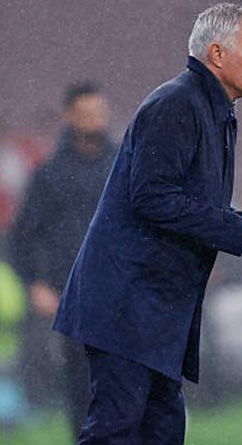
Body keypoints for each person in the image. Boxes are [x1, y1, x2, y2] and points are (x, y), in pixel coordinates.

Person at [53, 3, 242, 444]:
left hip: (155, 309)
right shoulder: (177, 103)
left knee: (161, 433)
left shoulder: (210, 108)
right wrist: (241, 230)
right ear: (217, 53)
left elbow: (184, 207)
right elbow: (151, 198)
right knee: (117, 432)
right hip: (127, 306)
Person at [8, 81, 116, 437]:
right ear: (70, 116)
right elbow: (23, 236)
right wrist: (35, 284)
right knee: (82, 385)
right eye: (85, 113)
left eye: (98, 112)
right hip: (73, 295)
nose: (93, 120)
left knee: (127, 382)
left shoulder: (125, 166)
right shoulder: (50, 174)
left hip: (122, 291)